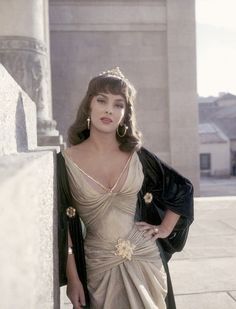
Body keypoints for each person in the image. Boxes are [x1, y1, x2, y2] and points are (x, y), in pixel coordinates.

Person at [57, 67, 194, 309]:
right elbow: (64, 224)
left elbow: (182, 189)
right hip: (98, 267)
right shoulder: (65, 161)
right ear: (89, 105)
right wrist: (73, 278)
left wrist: (164, 228)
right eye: (102, 100)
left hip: (146, 260)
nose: (109, 109)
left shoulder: (137, 156)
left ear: (125, 114)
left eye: (118, 104)